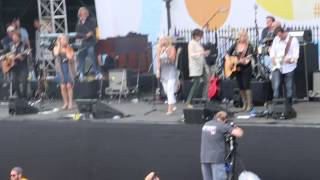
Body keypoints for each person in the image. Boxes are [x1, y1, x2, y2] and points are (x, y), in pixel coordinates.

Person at [201, 111, 243, 180]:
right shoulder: (221, 126)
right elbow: (239, 134)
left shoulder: (206, 124)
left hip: (204, 158)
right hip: (217, 159)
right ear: (224, 119)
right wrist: (236, 127)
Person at [269, 26, 299, 108]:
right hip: (277, 66)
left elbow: (296, 56)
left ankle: (289, 107)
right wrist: (272, 58)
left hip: (289, 67)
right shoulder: (276, 39)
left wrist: (290, 60)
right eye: (278, 36)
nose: (279, 37)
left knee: (289, 87)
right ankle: (275, 107)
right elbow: (272, 50)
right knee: (276, 86)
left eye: (280, 35)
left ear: (284, 32)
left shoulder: (293, 41)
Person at [225, 30, 254, 112]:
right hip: (237, 68)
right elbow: (227, 53)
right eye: (241, 36)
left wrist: (241, 61)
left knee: (246, 85)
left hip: (246, 68)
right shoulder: (235, 44)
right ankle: (244, 104)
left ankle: (250, 104)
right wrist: (228, 59)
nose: (243, 38)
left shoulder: (249, 46)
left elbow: (247, 60)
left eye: (245, 36)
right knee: (240, 86)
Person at [75, 7, 102, 81]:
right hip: (83, 44)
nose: (82, 15)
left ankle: (98, 72)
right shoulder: (78, 23)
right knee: (80, 55)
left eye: (84, 13)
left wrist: (86, 36)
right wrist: (82, 37)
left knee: (92, 53)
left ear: (87, 14)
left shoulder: (92, 20)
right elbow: (78, 34)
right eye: (80, 14)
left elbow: (91, 32)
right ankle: (81, 73)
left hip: (91, 43)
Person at [186, 29, 210, 108]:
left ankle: (204, 99)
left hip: (201, 65)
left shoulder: (198, 43)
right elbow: (192, 55)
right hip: (195, 66)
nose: (201, 37)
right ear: (195, 35)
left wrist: (205, 54)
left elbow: (200, 54)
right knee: (196, 83)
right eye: (200, 35)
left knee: (207, 81)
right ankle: (189, 101)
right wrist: (202, 53)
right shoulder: (191, 43)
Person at [53, 35, 76, 110]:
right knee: (62, 86)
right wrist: (59, 44)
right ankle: (65, 102)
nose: (64, 40)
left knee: (69, 85)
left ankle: (70, 103)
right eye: (62, 39)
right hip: (60, 69)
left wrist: (68, 50)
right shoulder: (56, 47)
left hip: (68, 68)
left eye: (65, 39)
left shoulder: (68, 47)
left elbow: (71, 58)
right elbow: (56, 54)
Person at [156, 36, 177, 115]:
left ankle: (170, 109)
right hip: (163, 71)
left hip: (171, 70)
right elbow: (158, 60)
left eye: (164, 39)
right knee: (166, 91)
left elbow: (172, 59)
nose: (162, 41)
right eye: (161, 40)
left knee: (170, 90)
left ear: (167, 40)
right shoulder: (159, 49)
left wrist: (166, 51)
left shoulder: (172, 48)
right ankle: (173, 103)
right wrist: (158, 70)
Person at [8, 31, 30, 99]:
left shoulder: (24, 45)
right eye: (13, 37)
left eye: (15, 37)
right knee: (15, 82)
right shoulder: (11, 45)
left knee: (24, 81)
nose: (13, 38)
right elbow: (7, 52)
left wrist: (22, 55)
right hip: (14, 66)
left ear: (19, 37)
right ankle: (19, 97)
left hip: (23, 66)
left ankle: (24, 97)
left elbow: (27, 53)